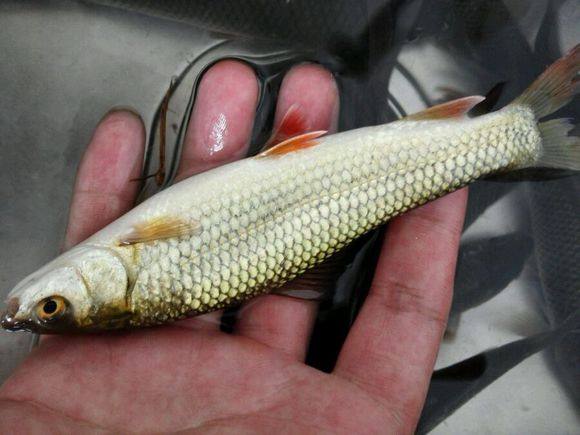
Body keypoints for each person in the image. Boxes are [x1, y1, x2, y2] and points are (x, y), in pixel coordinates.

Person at [0, 60, 467, 433]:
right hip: (309, 203)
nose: (33, 306)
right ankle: (492, 138)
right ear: (111, 295)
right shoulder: (127, 250)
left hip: (297, 217)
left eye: (51, 307)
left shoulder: (126, 259)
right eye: (51, 307)